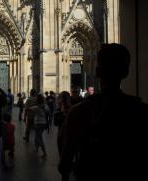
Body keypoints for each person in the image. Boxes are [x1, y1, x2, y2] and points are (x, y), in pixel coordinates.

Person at [58, 43, 148, 181]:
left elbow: (64, 165)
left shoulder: (79, 112)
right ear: (126, 71)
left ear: (97, 71)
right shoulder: (142, 111)